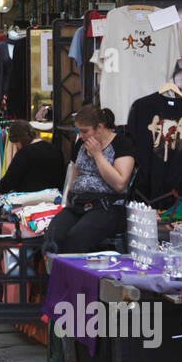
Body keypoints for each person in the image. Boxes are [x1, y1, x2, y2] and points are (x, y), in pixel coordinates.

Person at [43, 104, 135, 254]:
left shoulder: (121, 144)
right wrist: (67, 200)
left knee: (76, 238)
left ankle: (74, 276)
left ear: (99, 127)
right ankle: (54, 274)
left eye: (85, 131)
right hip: (78, 203)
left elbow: (120, 184)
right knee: (53, 236)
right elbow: (75, 175)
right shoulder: (81, 143)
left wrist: (98, 155)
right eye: (78, 130)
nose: (81, 135)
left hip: (106, 206)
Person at [0, 120, 67, 202]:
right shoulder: (55, 149)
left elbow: (4, 185)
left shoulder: (24, 153)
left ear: (18, 141)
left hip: (30, 203)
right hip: (54, 201)